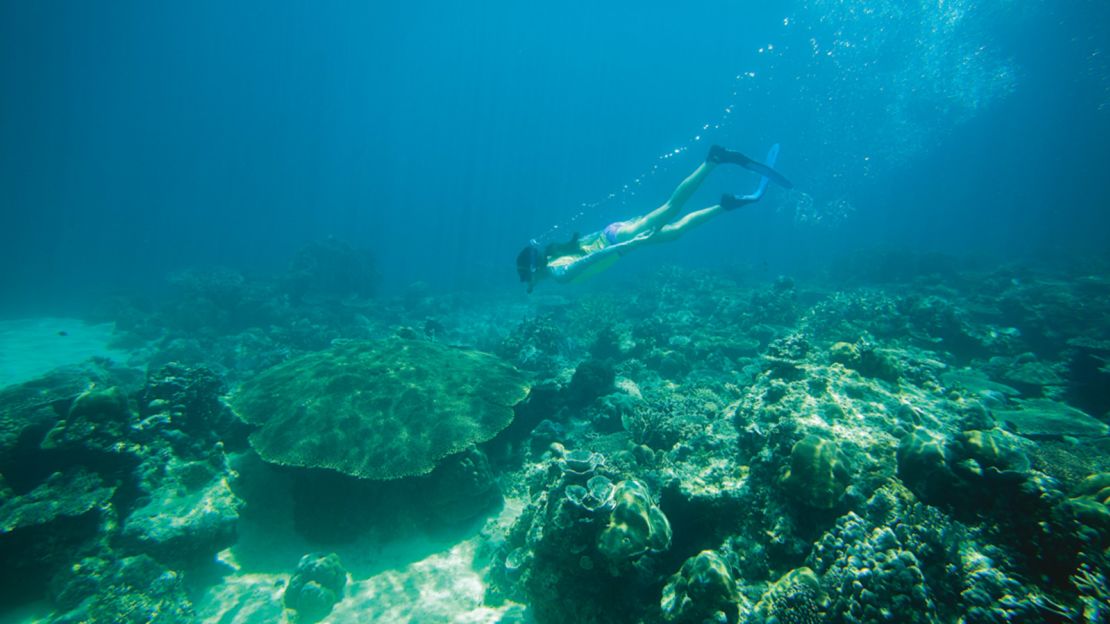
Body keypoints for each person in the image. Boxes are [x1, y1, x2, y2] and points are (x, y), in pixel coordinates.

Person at [516, 144, 792, 293]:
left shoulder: (558, 273)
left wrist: (629, 244)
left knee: (671, 208)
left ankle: (713, 160)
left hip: (621, 239)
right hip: (615, 233)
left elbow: (593, 259)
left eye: (527, 279)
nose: (529, 285)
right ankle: (726, 205)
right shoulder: (554, 258)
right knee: (675, 232)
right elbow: (587, 245)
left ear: (533, 270)